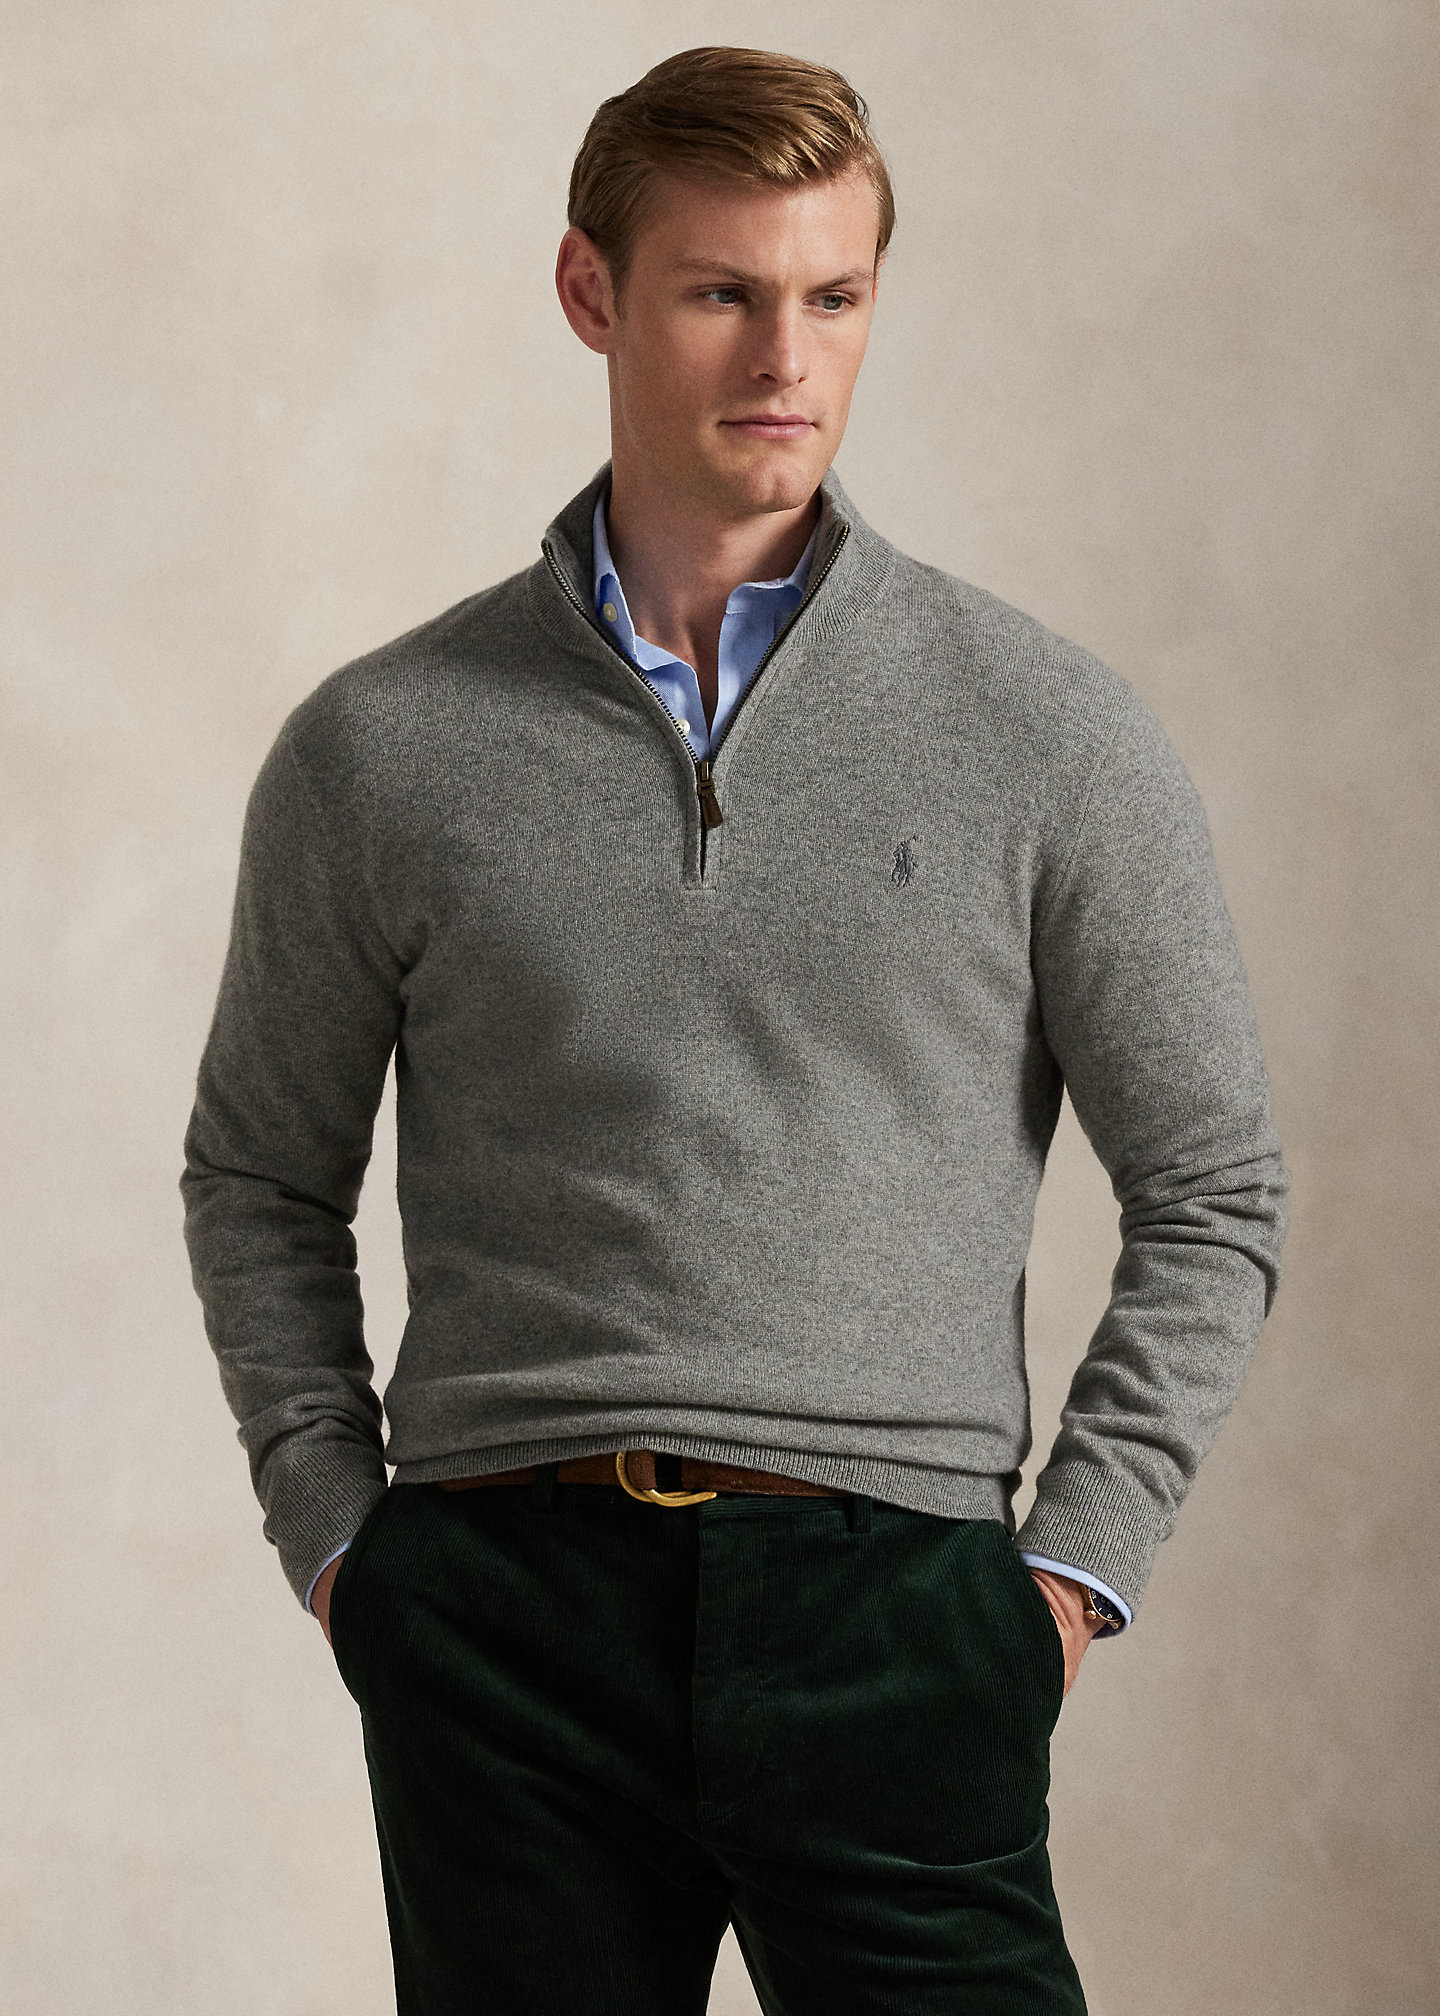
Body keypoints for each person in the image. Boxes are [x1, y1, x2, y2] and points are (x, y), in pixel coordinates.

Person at [182, 44, 1288, 2016]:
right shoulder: (381, 750)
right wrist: (348, 1548)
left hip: (899, 1607)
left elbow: (1213, 1190)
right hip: (501, 1617)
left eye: (834, 295)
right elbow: (260, 1174)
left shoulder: (1051, 736)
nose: (788, 356)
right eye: (722, 292)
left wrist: (1065, 1578)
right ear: (590, 293)